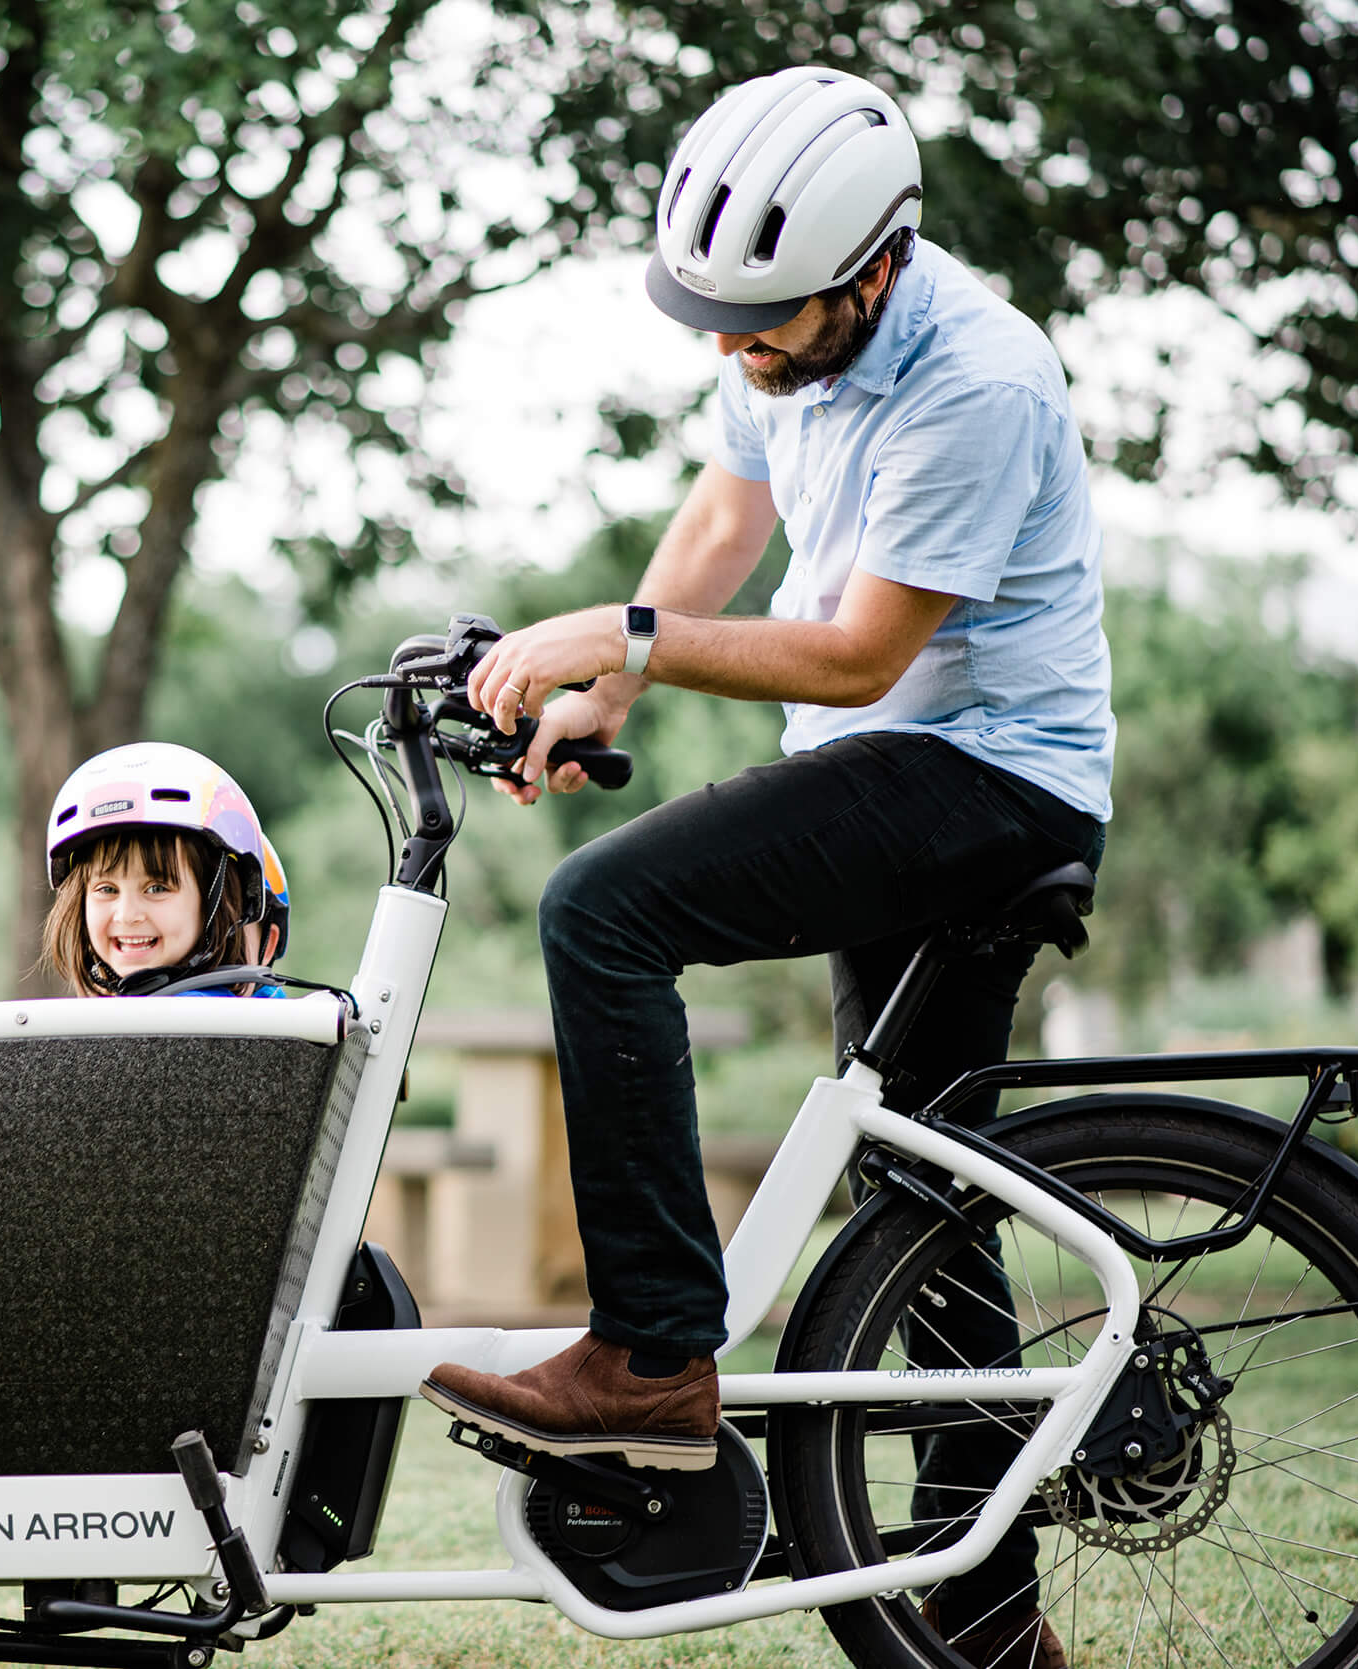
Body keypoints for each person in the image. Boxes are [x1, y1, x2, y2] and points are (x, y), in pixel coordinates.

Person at [417, 65, 1112, 1669]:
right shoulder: (779, 335)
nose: (737, 356)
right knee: (927, 1196)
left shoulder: (982, 384)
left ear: (873, 272)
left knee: (607, 909)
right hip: (900, 771)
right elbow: (722, 525)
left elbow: (864, 656)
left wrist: (625, 636)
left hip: (985, 778)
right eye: (716, 326)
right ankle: (993, 1619)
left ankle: (654, 1356)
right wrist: (607, 685)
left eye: (769, 324)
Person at [41, 742, 291, 998]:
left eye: (157, 888)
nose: (127, 916)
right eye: (107, 889)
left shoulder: (205, 1021)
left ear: (215, 905)